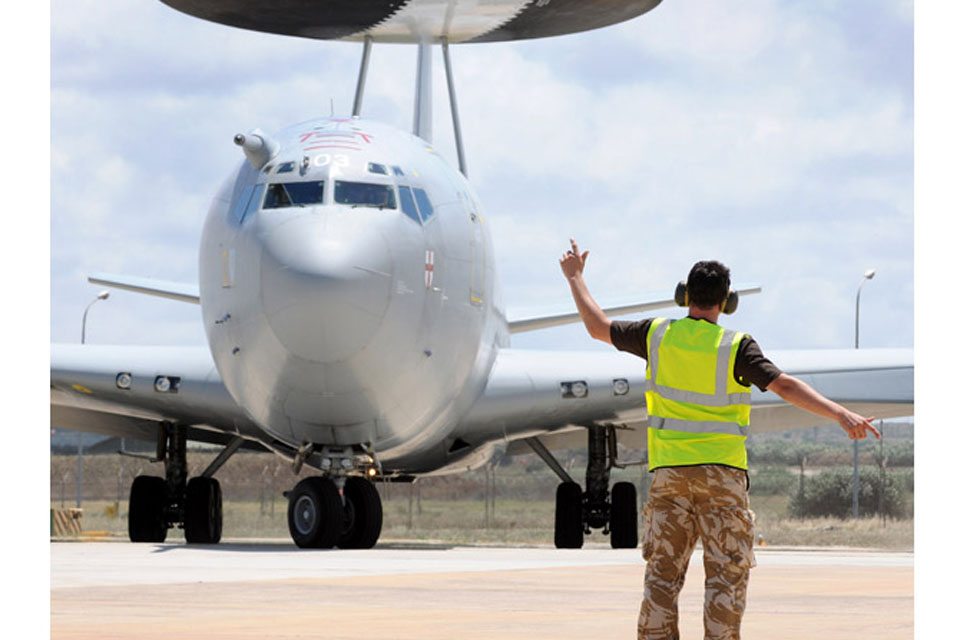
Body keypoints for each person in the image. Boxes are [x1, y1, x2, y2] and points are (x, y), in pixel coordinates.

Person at [558, 239, 880, 640]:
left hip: (669, 477)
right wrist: (839, 413)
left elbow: (597, 327)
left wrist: (575, 278)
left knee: (661, 578)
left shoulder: (657, 335)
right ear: (726, 301)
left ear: (685, 296)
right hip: (722, 480)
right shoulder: (736, 346)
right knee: (725, 580)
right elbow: (784, 385)